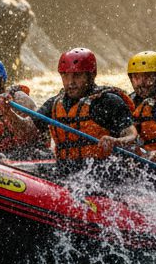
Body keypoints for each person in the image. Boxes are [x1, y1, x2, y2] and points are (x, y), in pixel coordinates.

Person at [8, 48, 137, 174]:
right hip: (65, 169)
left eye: (77, 75)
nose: (70, 82)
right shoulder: (55, 103)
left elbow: (131, 135)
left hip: (101, 173)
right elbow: (26, 130)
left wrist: (117, 141)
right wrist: (7, 112)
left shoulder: (108, 101)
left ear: (91, 75)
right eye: (65, 75)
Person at [0, 57, 44, 159]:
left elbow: (34, 132)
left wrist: (8, 112)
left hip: (29, 154)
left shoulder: (19, 98)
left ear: (1, 82)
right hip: (0, 158)